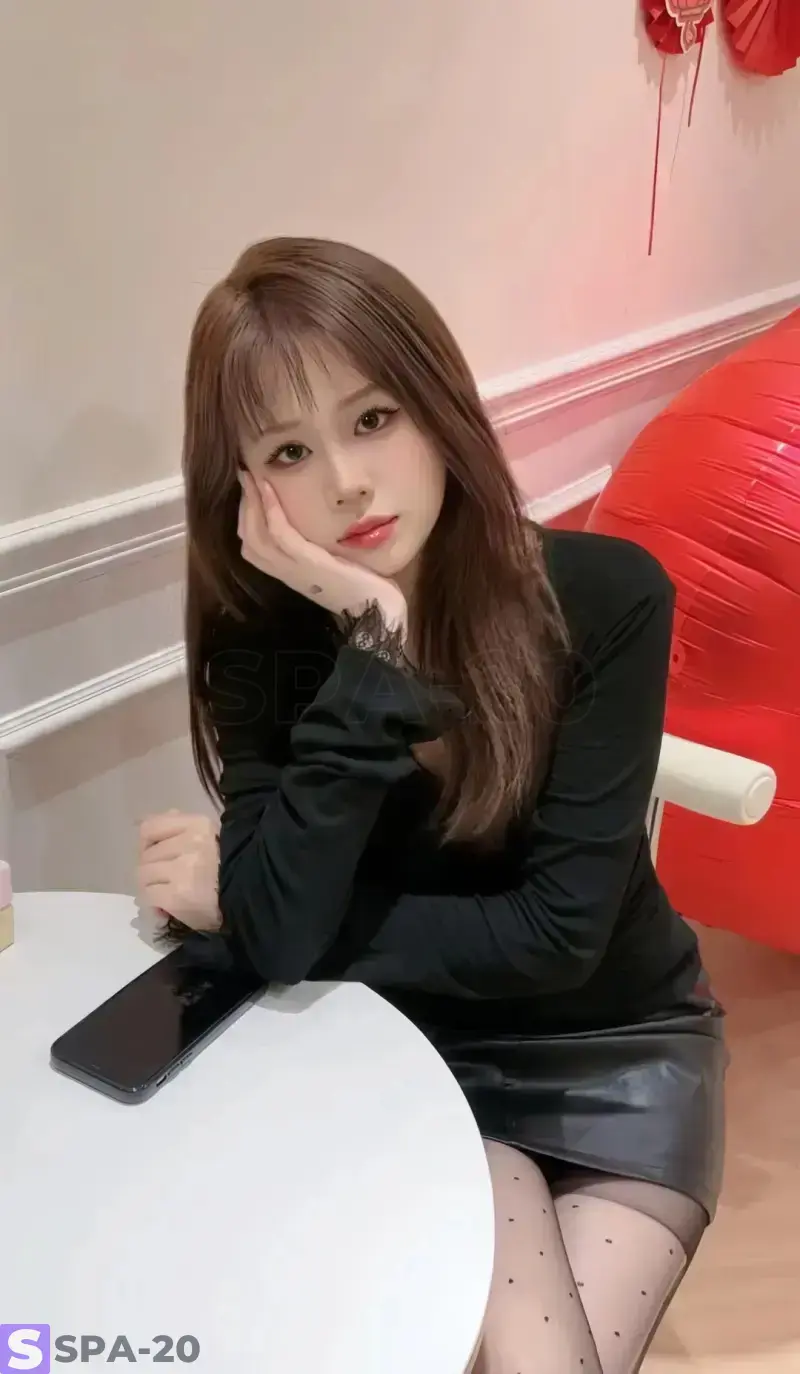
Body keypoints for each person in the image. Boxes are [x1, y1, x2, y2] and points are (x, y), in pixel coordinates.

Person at [137, 236, 726, 1374]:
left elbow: (552, 937)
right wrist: (373, 647)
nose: (346, 483)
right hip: (409, 1049)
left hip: (615, 1047)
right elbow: (281, 937)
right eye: (289, 450)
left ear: (436, 403)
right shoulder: (260, 647)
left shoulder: (604, 600)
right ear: (244, 489)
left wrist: (250, 906)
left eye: (372, 419)